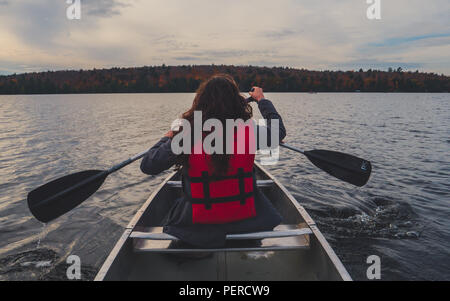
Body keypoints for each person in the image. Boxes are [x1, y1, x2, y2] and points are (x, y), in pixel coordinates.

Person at [140, 74, 286, 248]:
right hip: (246, 221)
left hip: (197, 226)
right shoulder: (250, 130)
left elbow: (148, 165)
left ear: (200, 102)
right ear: (236, 101)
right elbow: (278, 132)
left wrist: (168, 137)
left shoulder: (187, 135)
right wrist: (262, 100)